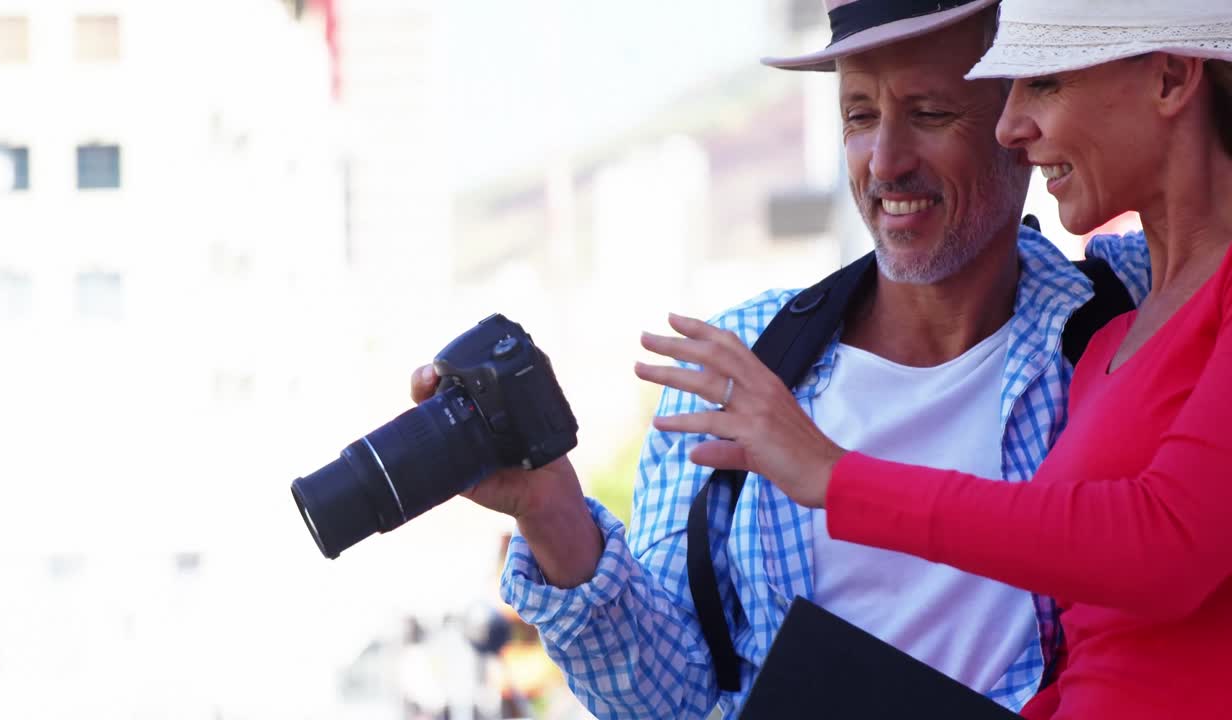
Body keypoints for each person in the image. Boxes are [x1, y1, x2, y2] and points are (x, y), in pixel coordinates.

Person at [411, 3, 1150, 718]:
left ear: (1020, 122)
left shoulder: (1133, 314)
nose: (884, 161)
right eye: (859, 116)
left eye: (929, 113)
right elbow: (663, 700)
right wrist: (551, 511)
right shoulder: (740, 363)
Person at [637, 1, 1232, 718]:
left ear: (1171, 77)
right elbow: (1096, 648)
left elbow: (1161, 546)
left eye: (1040, 81)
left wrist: (837, 478)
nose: (1015, 128)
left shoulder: (1100, 313)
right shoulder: (1112, 338)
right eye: (857, 116)